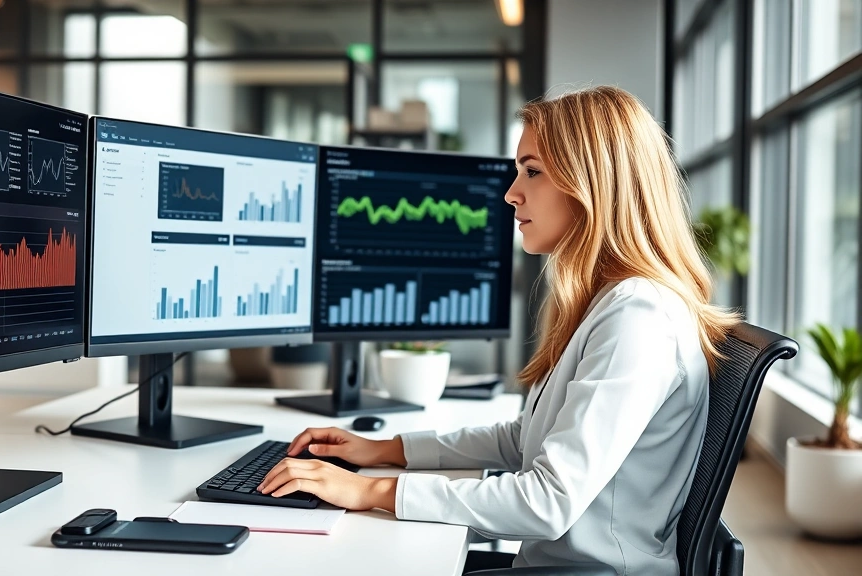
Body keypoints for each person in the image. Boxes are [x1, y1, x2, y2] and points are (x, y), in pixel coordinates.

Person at [258, 86, 741, 575]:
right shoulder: (614, 303)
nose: (512, 192)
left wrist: (371, 489)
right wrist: (385, 451)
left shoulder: (638, 317)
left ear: (592, 183)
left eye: (532, 171)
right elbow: (524, 439)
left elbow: (547, 501)